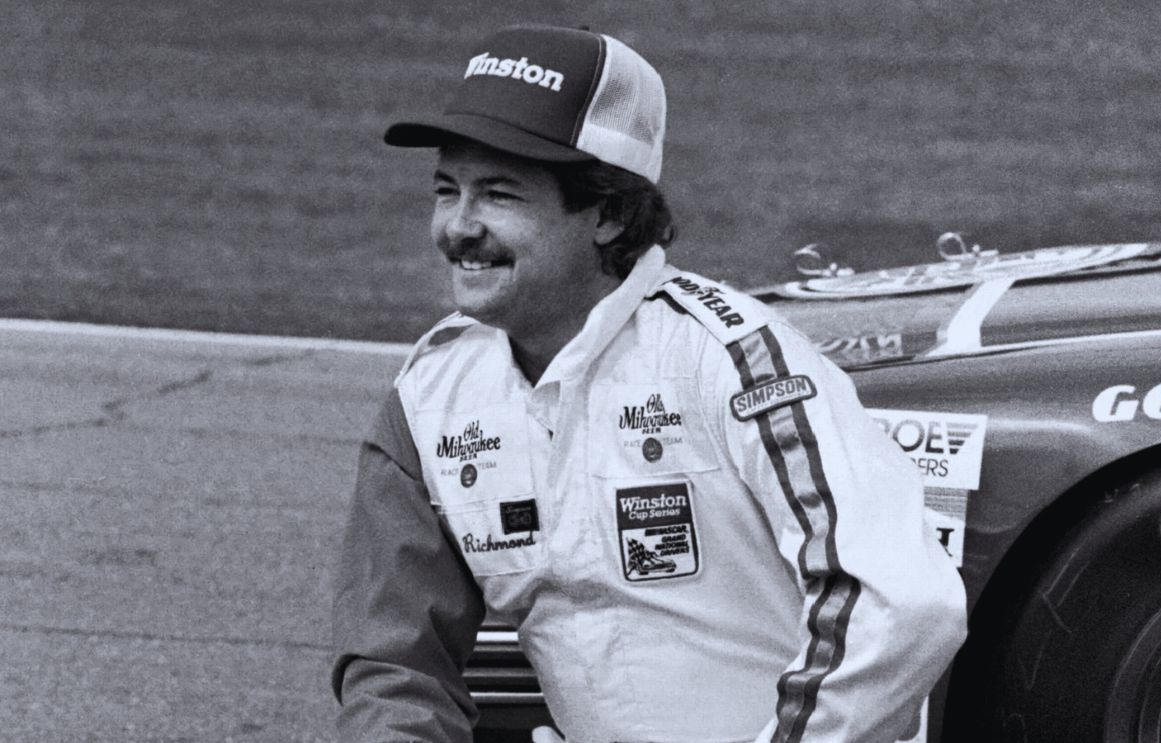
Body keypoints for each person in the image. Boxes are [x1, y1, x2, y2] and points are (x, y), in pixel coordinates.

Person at [331, 23, 967, 743]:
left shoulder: (736, 362)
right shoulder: (429, 395)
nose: (458, 227)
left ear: (606, 213)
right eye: (447, 191)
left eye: (499, 196)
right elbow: (393, 661)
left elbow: (904, 605)